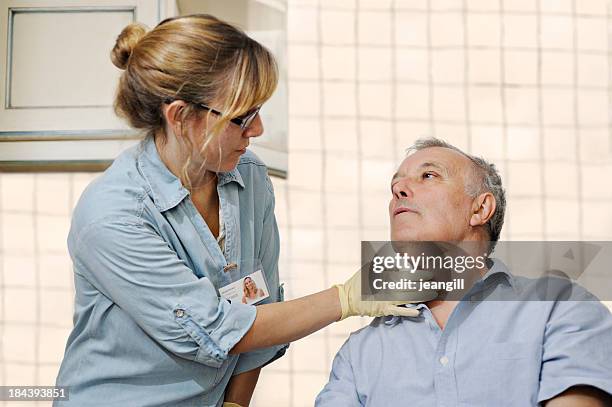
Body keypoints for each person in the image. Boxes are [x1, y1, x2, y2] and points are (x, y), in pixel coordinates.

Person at [54, 14, 433, 407]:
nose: (258, 130)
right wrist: (344, 299)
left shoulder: (248, 177)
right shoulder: (113, 215)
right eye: (242, 117)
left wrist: (235, 404)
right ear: (181, 117)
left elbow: (259, 306)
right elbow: (218, 329)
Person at [316, 137, 612, 406]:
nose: (398, 190)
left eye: (428, 175)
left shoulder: (560, 306)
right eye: (396, 185)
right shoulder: (359, 354)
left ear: (480, 209)